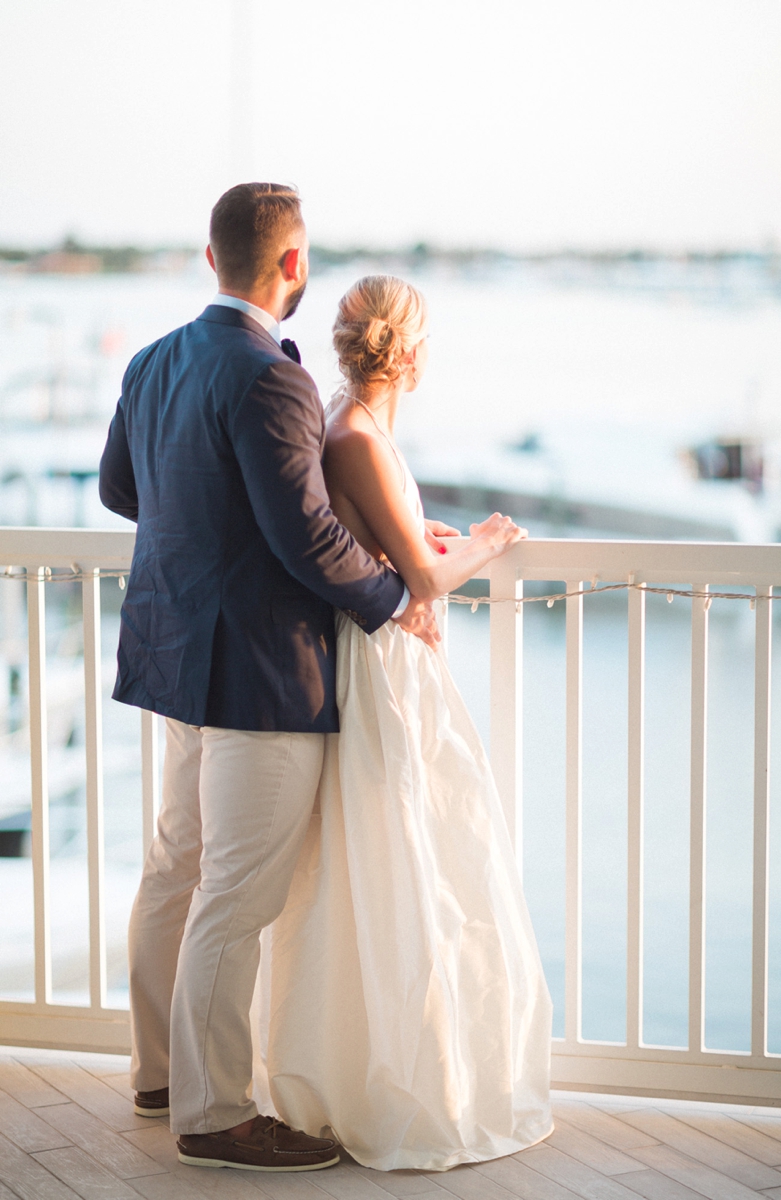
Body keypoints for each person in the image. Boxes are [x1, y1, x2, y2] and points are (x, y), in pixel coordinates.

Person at [98, 184, 439, 1174]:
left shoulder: (151, 360)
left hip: (171, 658)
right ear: (290, 265)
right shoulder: (273, 379)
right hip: (258, 670)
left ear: (212, 258)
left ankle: (159, 1072)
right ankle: (213, 1114)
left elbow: (125, 489)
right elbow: (308, 541)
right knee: (235, 897)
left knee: (175, 872)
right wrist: (397, 597)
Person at [251, 275, 554, 1171]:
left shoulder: (354, 420)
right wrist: (490, 542)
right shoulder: (356, 432)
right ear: (408, 350)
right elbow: (424, 582)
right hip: (384, 668)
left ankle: (377, 1067)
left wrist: (418, 533)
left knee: (402, 858)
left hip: (385, 654)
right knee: (403, 860)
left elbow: (384, 537)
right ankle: (399, 1082)